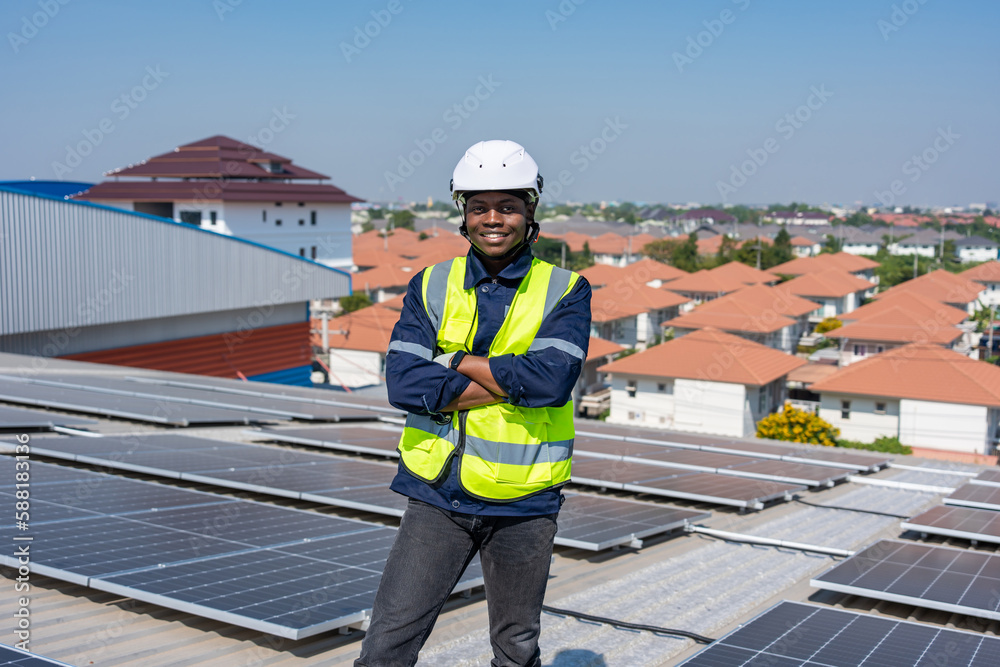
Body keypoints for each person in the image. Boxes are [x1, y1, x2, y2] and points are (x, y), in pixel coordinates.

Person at [355, 140, 591, 667]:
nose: (493, 219)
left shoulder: (566, 290)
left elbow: (552, 383)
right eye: (479, 206)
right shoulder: (430, 284)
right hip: (438, 496)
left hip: (524, 503)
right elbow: (403, 383)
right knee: (385, 648)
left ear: (530, 212)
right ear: (462, 213)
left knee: (515, 648)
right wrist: (513, 377)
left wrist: (455, 360)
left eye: (507, 206)